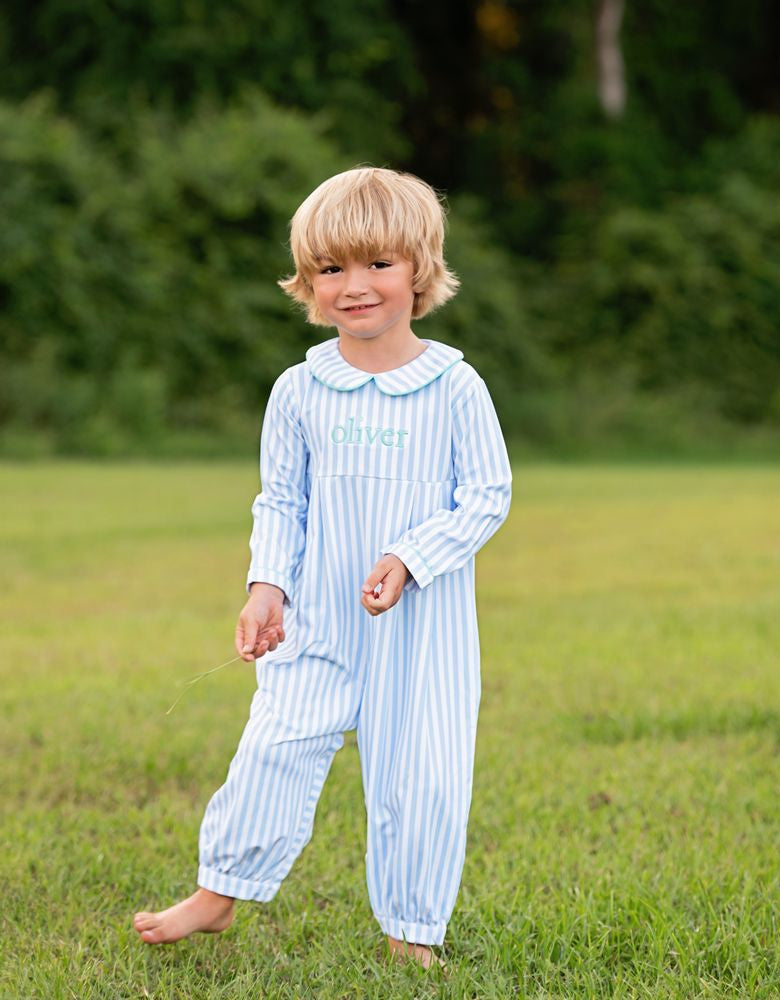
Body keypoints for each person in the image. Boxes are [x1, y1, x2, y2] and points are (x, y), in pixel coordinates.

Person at [133, 166, 512, 971]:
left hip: (421, 633)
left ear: (420, 269)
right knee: (274, 743)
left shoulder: (455, 388)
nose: (355, 286)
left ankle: (411, 931)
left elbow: (487, 496)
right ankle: (220, 890)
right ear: (308, 283)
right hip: (317, 621)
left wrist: (411, 558)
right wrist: (266, 587)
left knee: (422, 779)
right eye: (331, 269)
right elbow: (281, 503)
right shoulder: (300, 391)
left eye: (378, 264)